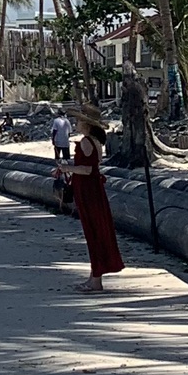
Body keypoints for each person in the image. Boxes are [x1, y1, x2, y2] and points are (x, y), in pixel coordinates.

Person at [67, 105, 125, 290]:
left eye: (78, 120)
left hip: (88, 191)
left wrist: (66, 168)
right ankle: (95, 277)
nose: (75, 123)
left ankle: (96, 279)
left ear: (85, 123)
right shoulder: (95, 141)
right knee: (97, 231)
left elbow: (87, 169)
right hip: (93, 190)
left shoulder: (85, 142)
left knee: (93, 232)